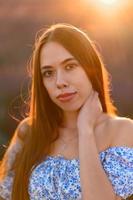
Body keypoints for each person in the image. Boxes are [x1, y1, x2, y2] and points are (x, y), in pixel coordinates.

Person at [0, 23, 133, 200]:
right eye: (48, 73)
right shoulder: (29, 131)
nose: (60, 82)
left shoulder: (122, 131)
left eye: (70, 67)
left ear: (90, 68)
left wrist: (86, 131)